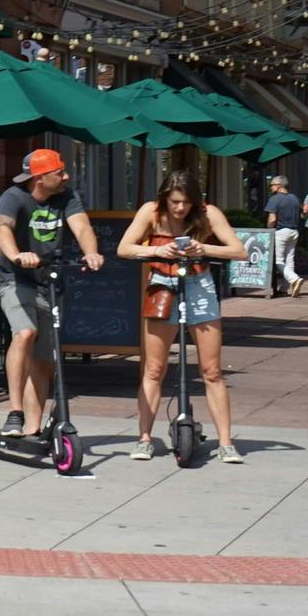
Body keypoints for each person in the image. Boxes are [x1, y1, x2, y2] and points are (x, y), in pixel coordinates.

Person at [119, 169, 247, 463]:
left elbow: (239, 250)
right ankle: (144, 438)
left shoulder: (207, 213)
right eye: (175, 202)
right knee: (153, 368)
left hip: (199, 283)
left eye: (185, 202)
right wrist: (158, 250)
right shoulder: (150, 212)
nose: (180, 208)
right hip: (162, 284)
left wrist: (204, 247)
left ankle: (226, 443)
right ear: (165, 197)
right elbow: (124, 248)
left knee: (212, 370)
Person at [0, 149, 109, 439]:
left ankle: (33, 427)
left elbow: (81, 226)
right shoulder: (13, 197)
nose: (66, 176)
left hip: (50, 283)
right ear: (40, 178)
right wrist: (17, 255)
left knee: (44, 360)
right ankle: (14, 413)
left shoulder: (67, 196)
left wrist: (91, 253)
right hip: (16, 279)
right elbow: (1, 229)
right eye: (60, 172)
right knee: (25, 334)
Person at [264, 176, 304, 298]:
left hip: (281, 231)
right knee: (289, 259)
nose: (270, 187)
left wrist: (268, 230)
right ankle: (286, 288)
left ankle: (294, 279)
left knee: (278, 260)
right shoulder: (294, 198)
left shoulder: (275, 199)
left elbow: (272, 219)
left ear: (280, 186)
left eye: (272, 185)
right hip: (294, 231)